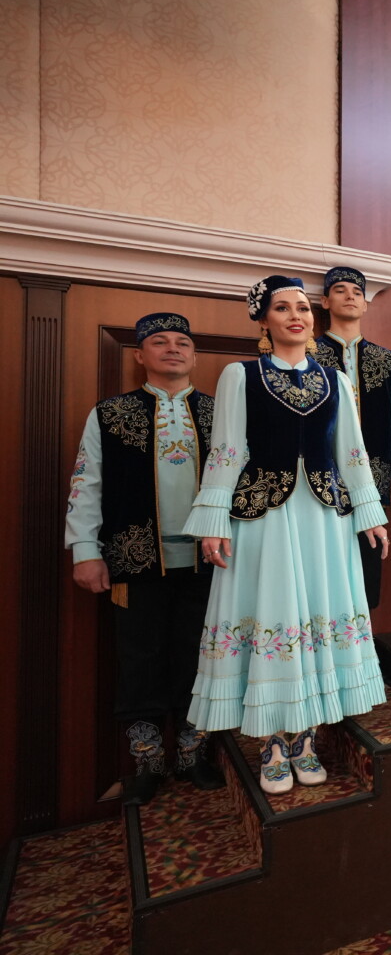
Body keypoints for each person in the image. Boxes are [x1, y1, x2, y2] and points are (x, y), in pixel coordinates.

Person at [188, 277, 388, 794]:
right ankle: (272, 744)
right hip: (263, 517)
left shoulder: (335, 380)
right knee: (273, 610)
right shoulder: (240, 375)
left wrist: (370, 513)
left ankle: (305, 738)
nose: (296, 315)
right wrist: (212, 520)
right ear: (264, 321)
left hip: (324, 517)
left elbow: (352, 453)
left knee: (318, 610)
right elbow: (227, 450)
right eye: (282, 308)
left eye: (302, 307)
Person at [65, 313, 225, 805]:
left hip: (209, 562)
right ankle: (147, 761)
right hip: (133, 559)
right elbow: (86, 483)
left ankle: (194, 754)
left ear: (193, 355)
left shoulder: (220, 413)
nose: (173, 348)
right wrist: (85, 551)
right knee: (139, 659)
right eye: (159, 341)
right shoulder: (110, 414)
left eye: (182, 342)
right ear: (139, 355)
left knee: (199, 656)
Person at [313, 266, 391, 610]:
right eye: (340, 290)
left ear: (365, 303)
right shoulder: (309, 356)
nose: (350, 296)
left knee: (368, 551)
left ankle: (363, 634)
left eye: (357, 292)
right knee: (324, 553)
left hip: (375, 473)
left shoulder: (386, 360)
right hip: (321, 471)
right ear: (325, 301)